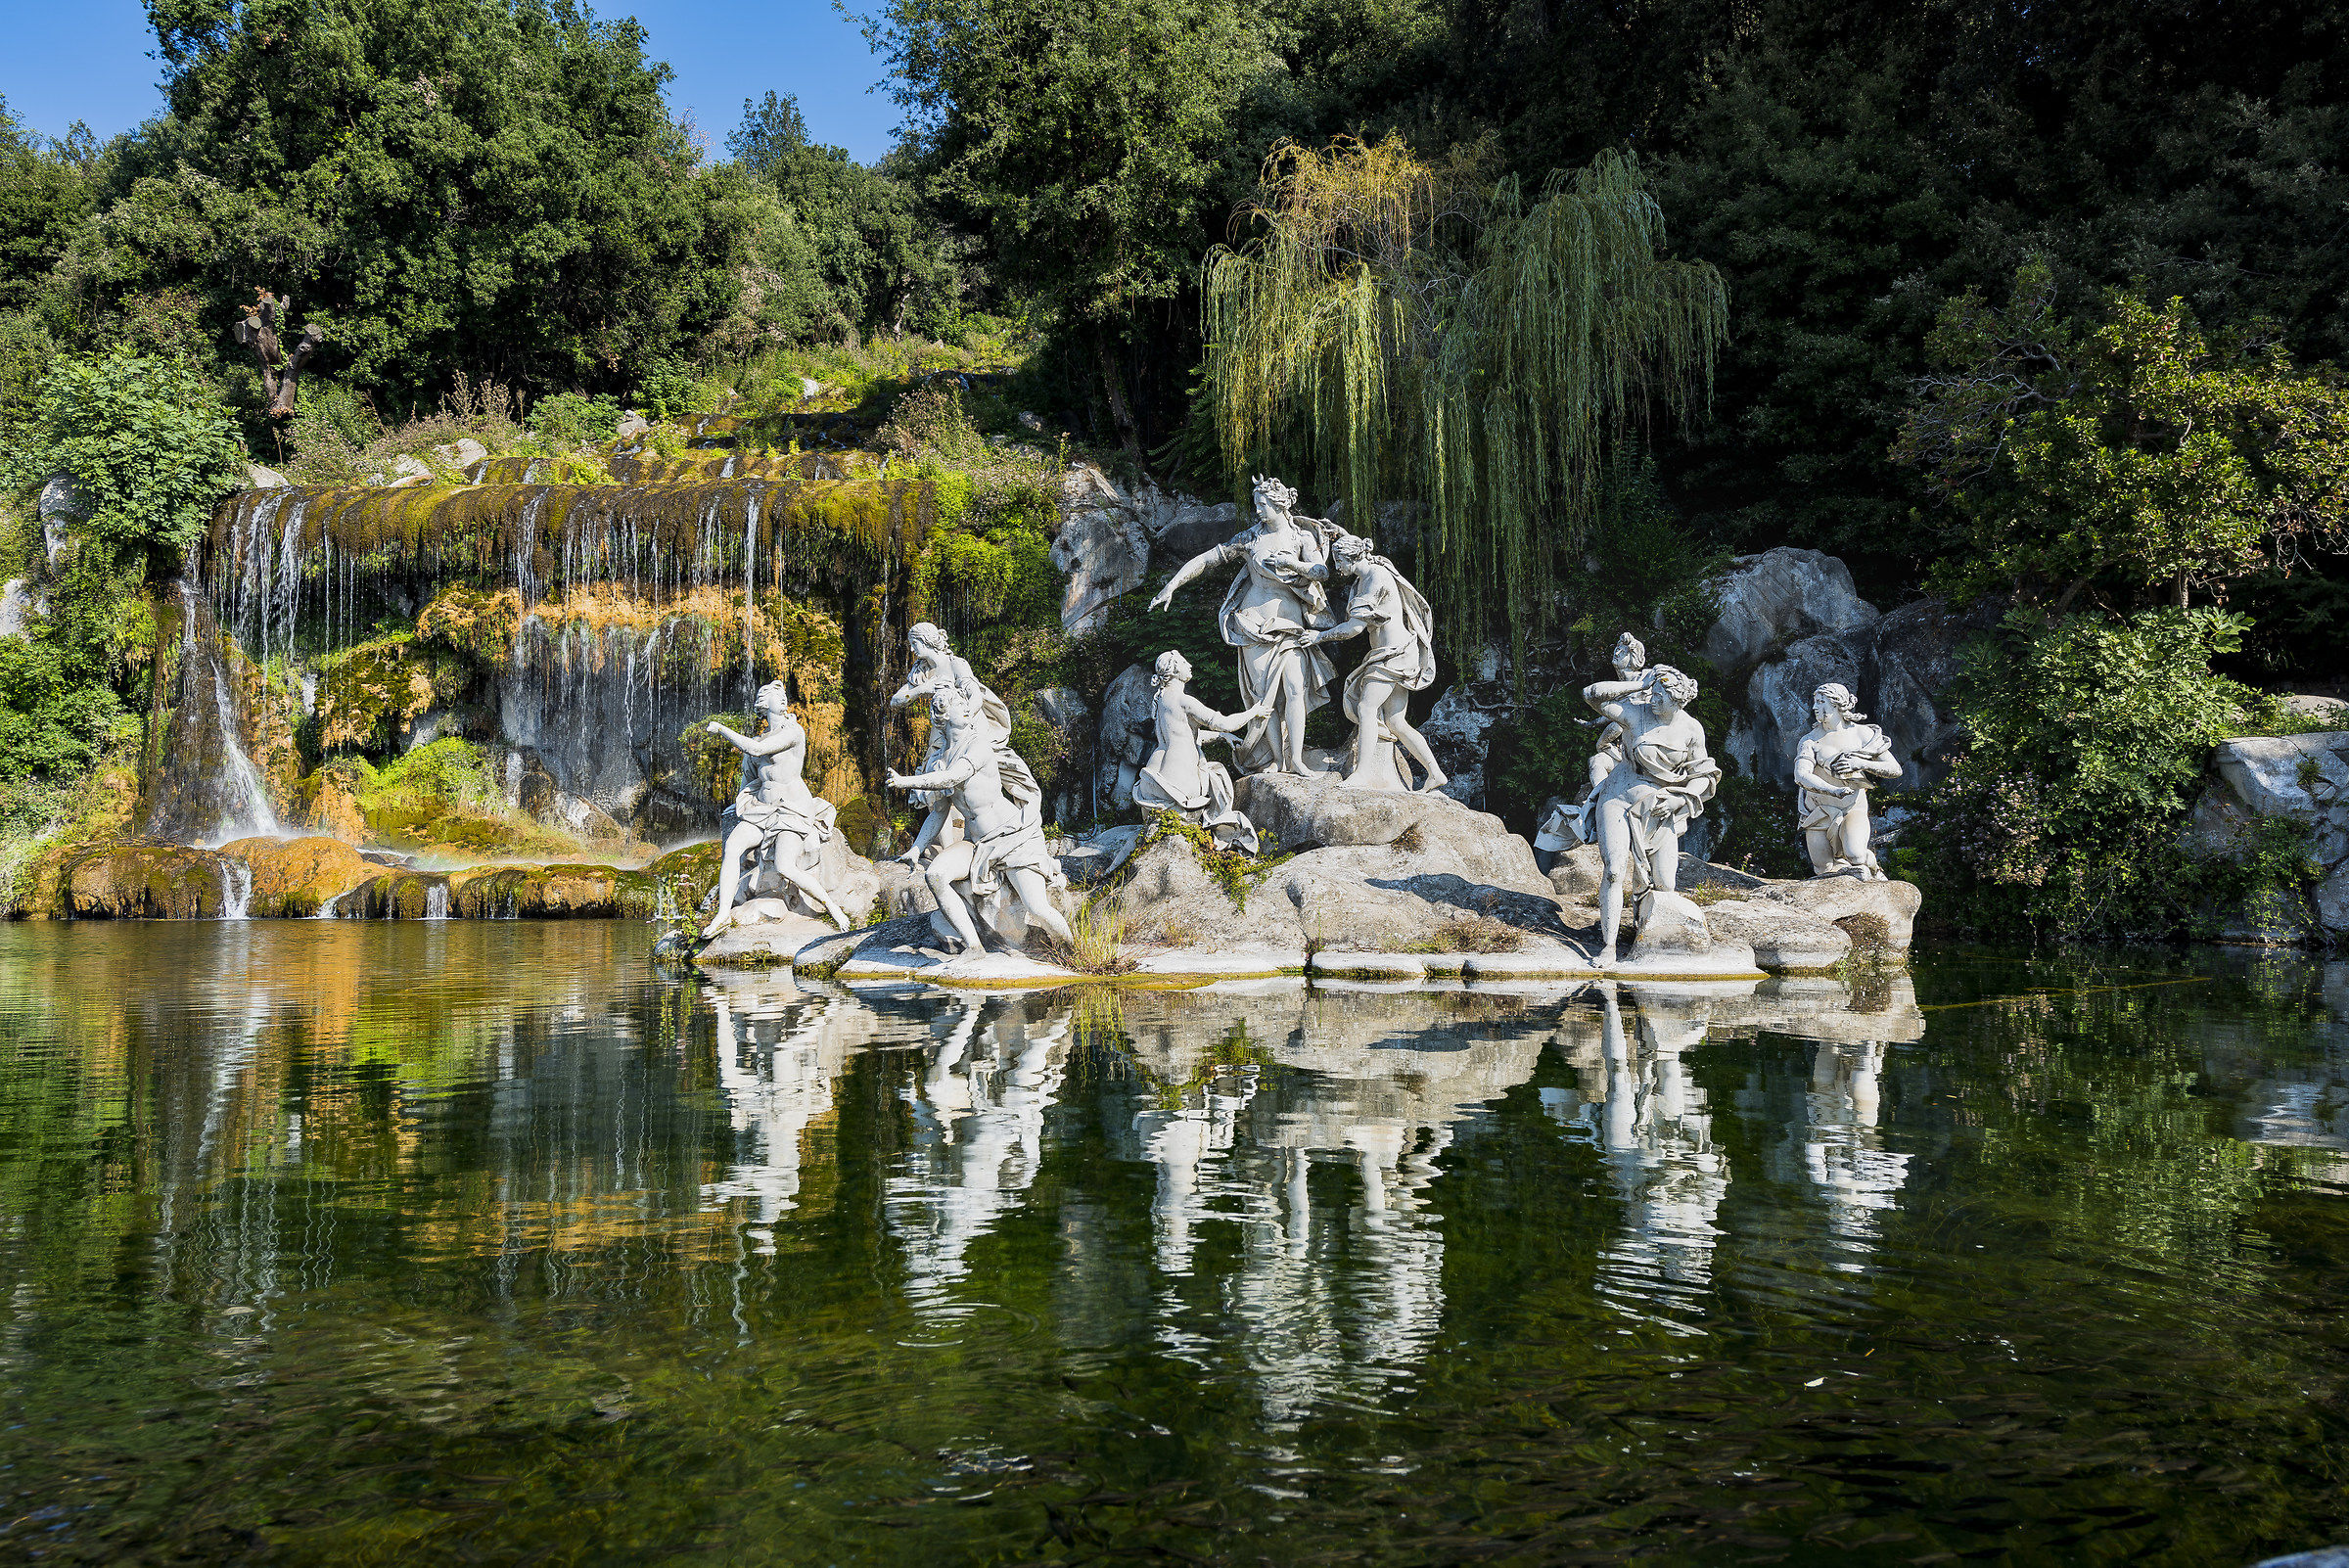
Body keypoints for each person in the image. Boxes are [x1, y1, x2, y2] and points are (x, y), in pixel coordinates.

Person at [1147, 476, 1338, 776]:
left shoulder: (1301, 538)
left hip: (1291, 625)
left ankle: (1297, 759)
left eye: (1263, 505)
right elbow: (1207, 560)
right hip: (1253, 625)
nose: (1258, 510)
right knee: (1265, 697)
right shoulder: (1250, 538)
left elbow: (1321, 571)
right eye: (1256, 505)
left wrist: (1291, 565)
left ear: (1280, 504)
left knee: (1295, 689)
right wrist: (1172, 584)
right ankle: (1277, 759)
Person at [889, 685, 1075, 954]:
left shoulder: (978, 745)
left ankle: (1074, 953)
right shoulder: (939, 761)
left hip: (1012, 836)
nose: (967, 707)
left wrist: (906, 781)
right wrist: (916, 849)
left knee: (1037, 907)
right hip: (976, 842)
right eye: (958, 703)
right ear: (943, 714)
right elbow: (939, 811)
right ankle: (974, 948)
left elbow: (952, 778)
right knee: (935, 875)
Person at [1581, 664, 1721, 965]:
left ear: (1678, 700)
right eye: (1652, 694)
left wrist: (1679, 799)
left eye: (1660, 696)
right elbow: (1592, 695)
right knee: (1614, 869)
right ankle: (1608, 946)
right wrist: (1640, 685)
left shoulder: (1691, 729)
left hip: (1659, 805)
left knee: (1665, 884)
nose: (1653, 700)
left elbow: (1704, 775)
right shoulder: (1636, 714)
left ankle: (1640, 930)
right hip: (1619, 797)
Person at [702, 679, 853, 937]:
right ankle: (723, 914)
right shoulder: (757, 739)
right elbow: (749, 778)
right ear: (764, 703)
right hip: (762, 809)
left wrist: (721, 729)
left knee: (785, 866)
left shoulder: (793, 732)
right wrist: (737, 803)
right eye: (776, 694)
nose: (783, 697)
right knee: (733, 847)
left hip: (791, 809)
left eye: (784, 694)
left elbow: (757, 749)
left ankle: (832, 907)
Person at [1302, 532, 1446, 791]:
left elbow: (1354, 628)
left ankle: (1363, 773)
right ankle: (1435, 773)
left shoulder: (1376, 577)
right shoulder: (1365, 577)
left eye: (1338, 560)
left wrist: (1319, 637)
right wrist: (1334, 532)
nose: (1336, 566)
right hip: (1395, 653)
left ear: (1351, 557)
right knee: (1396, 722)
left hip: (1393, 654)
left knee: (1366, 708)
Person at [1131, 652, 1270, 850]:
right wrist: (1253, 712)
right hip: (1177, 782)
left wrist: (1221, 737)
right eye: (1183, 662)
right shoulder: (1183, 700)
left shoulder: (1161, 699)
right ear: (1174, 670)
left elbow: (1183, 734)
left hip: (1152, 778)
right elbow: (1223, 723)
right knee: (1217, 775)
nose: (1189, 664)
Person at [1794, 682, 1900, 880]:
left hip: (1852, 809)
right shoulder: (1809, 740)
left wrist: (1861, 763)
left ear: (1837, 704)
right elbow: (1801, 775)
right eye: (1815, 702)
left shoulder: (1862, 734)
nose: (1814, 707)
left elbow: (1895, 769)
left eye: (1821, 702)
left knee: (1856, 855)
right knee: (1824, 870)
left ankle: (1873, 866)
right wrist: (1832, 790)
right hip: (1818, 814)